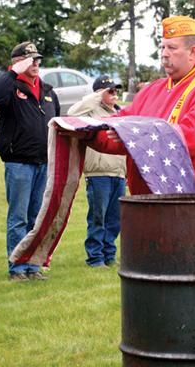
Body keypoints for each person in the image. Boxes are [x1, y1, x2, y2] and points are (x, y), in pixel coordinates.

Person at [73, 16, 195, 195]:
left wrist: (136, 133)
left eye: (172, 48)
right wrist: (85, 130)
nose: (164, 53)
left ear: (193, 52)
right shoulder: (151, 90)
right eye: (163, 47)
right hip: (149, 204)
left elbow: (194, 136)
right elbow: (118, 125)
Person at [0, 41, 60, 281]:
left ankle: (33, 266)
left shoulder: (48, 91)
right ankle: (17, 268)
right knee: (18, 218)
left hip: (43, 162)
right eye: (30, 59)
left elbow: (56, 122)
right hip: (18, 163)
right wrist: (12, 73)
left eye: (38, 59)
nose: (36, 63)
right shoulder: (10, 86)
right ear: (17, 62)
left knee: (36, 219)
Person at [67, 76, 127, 269]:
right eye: (110, 91)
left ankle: (109, 255)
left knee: (114, 219)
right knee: (98, 216)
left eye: (116, 90)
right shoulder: (90, 112)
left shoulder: (120, 114)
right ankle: (95, 257)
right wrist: (95, 97)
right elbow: (71, 113)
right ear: (98, 93)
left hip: (118, 173)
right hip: (98, 173)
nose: (115, 94)